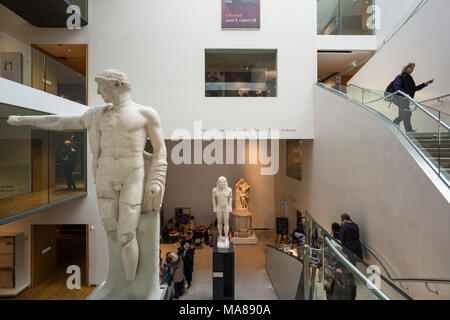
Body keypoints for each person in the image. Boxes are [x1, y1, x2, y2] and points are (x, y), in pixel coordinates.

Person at [391, 63, 434, 132]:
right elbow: (397, 87)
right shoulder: (400, 76)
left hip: (406, 99)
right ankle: (401, 127)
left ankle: (402, 127)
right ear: (406, 68)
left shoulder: (410, 78)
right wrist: (404, 94)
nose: (412, 69)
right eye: (411, 67)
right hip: (400, 98)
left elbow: (414, 89)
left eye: (413, 68)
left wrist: (425, 84)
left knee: (406, 114)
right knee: (406, 113)